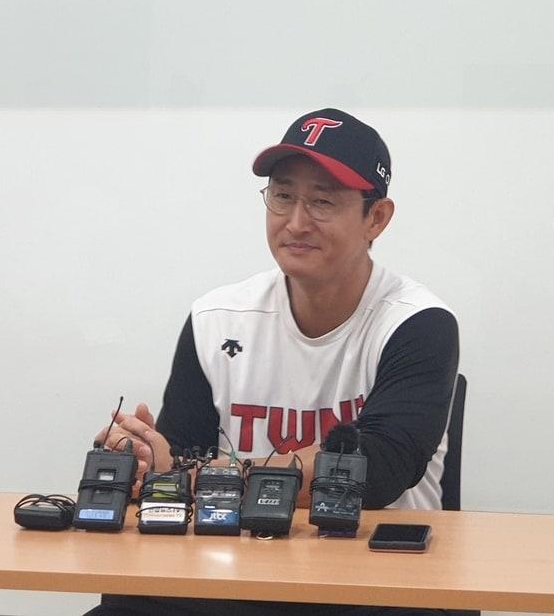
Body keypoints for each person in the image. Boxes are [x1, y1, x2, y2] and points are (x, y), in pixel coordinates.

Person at [85, 108, 461, 616]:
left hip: (372, 583)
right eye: (283, 196)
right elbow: (185, 460)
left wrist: (214, 479)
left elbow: (377, 470)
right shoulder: (216, 318)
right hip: (236, 572)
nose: (296, 222)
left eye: (322, 202)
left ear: (376, 218)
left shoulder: (417, 324)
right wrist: (153, 465)